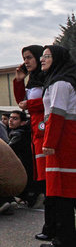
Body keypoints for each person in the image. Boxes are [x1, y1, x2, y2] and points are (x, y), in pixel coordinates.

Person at [39, 45, 76, 247]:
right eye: (42, 55)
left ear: (58, 58)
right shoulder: (59, 81)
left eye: (47, 56)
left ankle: (65, 240)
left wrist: (49, 142)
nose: (42, 59)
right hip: (65, 140)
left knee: (63, 193)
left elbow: (57, 114)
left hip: (63, 143)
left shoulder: (60, 83)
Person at [13, 45, 50, 240]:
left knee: (49, 179)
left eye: (29, 57)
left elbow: (51, 101)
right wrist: (19, 81)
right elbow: (21, 102)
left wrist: (31, 105)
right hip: (36, 131)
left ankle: (53, 224)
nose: (26, 61)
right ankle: (50, 224)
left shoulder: (49, 78)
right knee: (43, 178)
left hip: (45, 130)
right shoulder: (32, 80)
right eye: (24, 58)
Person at [8, 110, 39, 207]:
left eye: (15, 118)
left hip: (22, 166)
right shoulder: (25, 132)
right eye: (10, 118)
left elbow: (9, 149)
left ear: (23, 122)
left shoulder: (18, 133)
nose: (11, 120)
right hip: (28, 165)